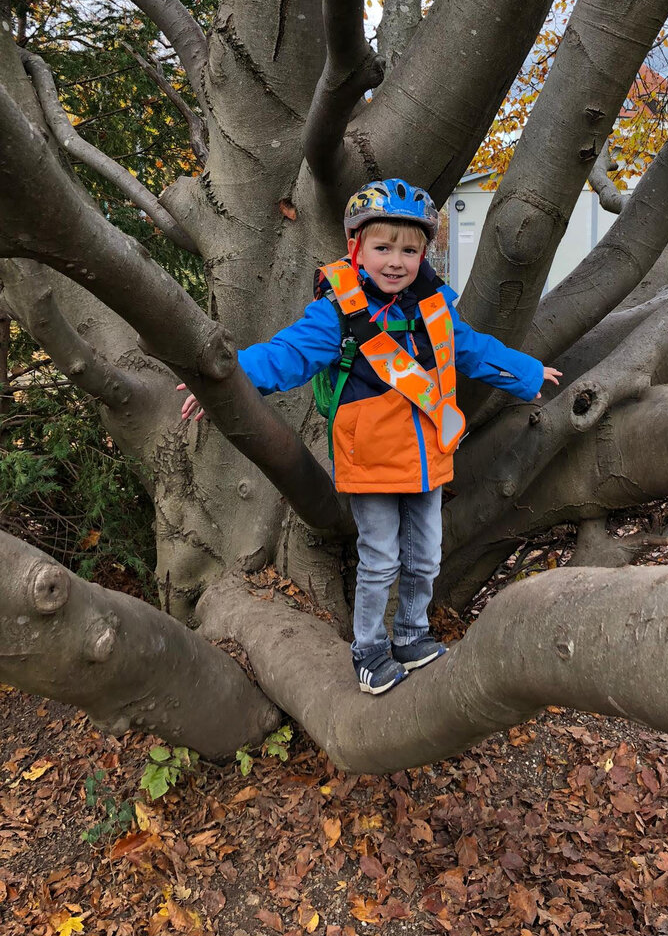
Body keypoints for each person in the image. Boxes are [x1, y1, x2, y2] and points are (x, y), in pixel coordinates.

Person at [180, 179, 561, 695]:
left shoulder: (434, 305)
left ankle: (410, 633)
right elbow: (287, 353)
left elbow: (474, 348)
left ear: (425, 252)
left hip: (427, 458)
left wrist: (529, 373)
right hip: (372, 459)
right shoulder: (339, 310)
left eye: (410, 249)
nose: (396, 261)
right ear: (356, 247)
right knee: (380, 558)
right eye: (383, 248)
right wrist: (223, 380)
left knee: (426, 555)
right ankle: (369, 648)